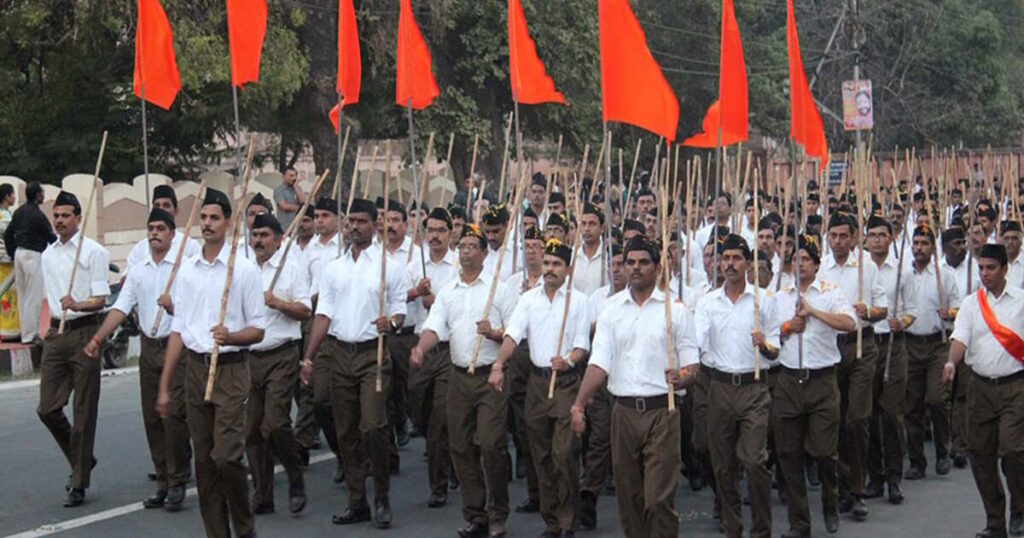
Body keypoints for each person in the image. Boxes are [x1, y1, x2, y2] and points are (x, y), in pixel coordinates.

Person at [571, 235, 700, 538]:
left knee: (657, 500)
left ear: (657, 267)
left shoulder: (675, 310)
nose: (636, 268)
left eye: (643, 262)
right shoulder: (611, 310)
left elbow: (693, 366)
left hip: (663, 411)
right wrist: (579, 403)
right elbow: (598, 363)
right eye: (630, 262)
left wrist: (681, 376)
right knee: (629, 499)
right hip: (624, 412)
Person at [156, 188, 267, 538]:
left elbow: (258, 330)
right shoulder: (188, 271)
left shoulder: (244, 270)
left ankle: (244, 528)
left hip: (232, 370)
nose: (206, 223)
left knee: (227, 458)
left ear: (228, 223)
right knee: (204, 462)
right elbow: (179, 330)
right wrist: (165, 386)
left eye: (214, 218)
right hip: (195, 369)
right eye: (203, 217)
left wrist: (231, 336)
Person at [299, 198, 406, 529]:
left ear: (374, 225)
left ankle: (382, 496)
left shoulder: (389, 266)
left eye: (361, 221)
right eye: (351, 221)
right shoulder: (334, 268)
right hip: (339, 353)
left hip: (373, 354)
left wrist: (392, 322)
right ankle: (357, 501)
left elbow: (400, 311)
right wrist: (309, 356)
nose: (354, 227)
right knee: (345, 430)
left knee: (372, 426)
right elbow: (323, 314)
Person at [411, 223, 516, 538]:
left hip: (490, 377)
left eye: (473, 246)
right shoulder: (448, 292)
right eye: (463, 246)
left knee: (491, 444)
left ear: (484, 254)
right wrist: (421, 348)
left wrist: (494, 333)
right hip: (459, 376)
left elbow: (514, 332)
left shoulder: (499, 288)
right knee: (459, 446)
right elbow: (434, 326)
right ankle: (475, 514)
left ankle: (498, 513)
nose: (467, 250)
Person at [84, 208, 190, 511]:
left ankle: (178, 480)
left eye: (161, 228)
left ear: (172, 234)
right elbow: (120, 307)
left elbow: (193, 313)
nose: (154, 233)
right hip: (149, 347)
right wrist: (97, 339)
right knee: (152, 417)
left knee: (174, 415)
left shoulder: (184, 269)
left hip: (177, 347)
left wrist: (173, 307)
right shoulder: (139, 270)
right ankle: (163, 481)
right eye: (151, 228)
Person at [491, 238, 591, 538]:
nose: (549, 269)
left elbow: (582, 346)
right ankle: (552, 521)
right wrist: (498, 364)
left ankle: (568, 519)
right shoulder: (528, 300)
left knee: (563, 454)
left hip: (565, 384)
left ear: (568, 269)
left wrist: (569, 360)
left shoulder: (579, 301)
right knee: (541, 456)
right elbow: (512, 335)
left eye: (556, 264)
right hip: (536, 384)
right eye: (547, 263)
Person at [694, 234, 779, 538]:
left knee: (755, 462)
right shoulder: (707, 303)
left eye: (736, 258)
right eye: (725, 258)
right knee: (723, 467)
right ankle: (733, 528)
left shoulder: (764, 300)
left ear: (747, 264)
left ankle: (761, 529)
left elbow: (776, 350)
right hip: (719, 387)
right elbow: (697, 344)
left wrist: (764, 343)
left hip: (753, 387)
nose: (729, 264)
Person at [772, 235, 856, 537]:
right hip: (788, 380)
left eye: (806, 259)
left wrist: (813, 312)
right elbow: (767, 337)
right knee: (789, 454)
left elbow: (849, 323)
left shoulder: (831, 292)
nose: (800, 264)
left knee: (823, 452)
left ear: (817, 265)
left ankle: (830, 503)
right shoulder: (781, 296)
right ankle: (799, 522)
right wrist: (787, 327)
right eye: (796, 259)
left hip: (822, 381)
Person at [943, 243, 1024, 538]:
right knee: (980, 454)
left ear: (1005, 269)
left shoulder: (1021, 301)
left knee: (1013, 451)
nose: (985, 273)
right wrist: (951, 362)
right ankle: (995, 521)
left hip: (1015, 387)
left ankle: (1019, 508)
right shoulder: (971, 304)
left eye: (991, 268)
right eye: (981, 268)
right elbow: (960, 338)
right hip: (979, 387)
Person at [37, 191, 111, 507]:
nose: (60, 220)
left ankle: (79, 482)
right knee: (47, 408)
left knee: (83, 411)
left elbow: (101, 300)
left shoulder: (94, 252)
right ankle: (82, 459)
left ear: (78, 219)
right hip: (57, 333)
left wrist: (77, 303)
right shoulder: (47, 255)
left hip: (85, 332)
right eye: (56, 215)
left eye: (66, 215)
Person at [818, 212, 888, 520]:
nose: (837, 241)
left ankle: (858, 491)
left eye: (843, 236)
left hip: (862, 346)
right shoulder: (820, 268)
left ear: (855, 237)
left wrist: (869, 311)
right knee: (835, 420)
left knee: (857, 419)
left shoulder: (867, 267)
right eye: (833, 235)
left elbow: (883, 309)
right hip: (830, 348)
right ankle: (842, 487)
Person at [246, 213, 309, 515]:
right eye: (255, 235)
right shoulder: (244, 270)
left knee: (274, 423)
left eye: (264, 235)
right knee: (251, 430)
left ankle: (295, 476)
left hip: (281, 354)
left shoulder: (291, 268)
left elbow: (305, 310)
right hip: (249, 356)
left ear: (279, 239)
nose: (258, 241)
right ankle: (263, 494)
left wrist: (278, 303)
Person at [407, 208, 460, 507]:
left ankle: (438, 484)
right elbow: (395, 298)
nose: (436, 236)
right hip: (420, 347)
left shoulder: (459, 265)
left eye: (441, 230)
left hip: (448, 349)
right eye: (431, 230)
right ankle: (448, 450)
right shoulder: (415, 264)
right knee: (419, 410)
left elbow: (464, 305)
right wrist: (416, 293)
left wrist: (436, 301)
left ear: (451, 233)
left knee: (440, 416)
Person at [864, 215, 914, 504]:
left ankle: (895, 478)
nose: (877, 240)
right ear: (866, 239)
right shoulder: (861, 269)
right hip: (868, 343)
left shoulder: (902, 270)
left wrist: (902, 322)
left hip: (894, 345)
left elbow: (912, 311)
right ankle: (875, 476)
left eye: (882, 235)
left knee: (892, 412)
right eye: (872, 235)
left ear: (891, 238)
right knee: (867, 411)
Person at [903, 224, 960, 480]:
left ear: (933, 248)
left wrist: (951, 313)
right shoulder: (904, 275)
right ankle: (917, 460)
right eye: (916, 243)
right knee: (912, 405)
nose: (919, 248)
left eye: (924, 243)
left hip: (938, 344)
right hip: (910, 344)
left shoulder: (944, 276)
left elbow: (959, 307)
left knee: (937, 400)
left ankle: (942, 451)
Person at [4, 181, 55, 348]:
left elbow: (8, 234)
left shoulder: (18, 212)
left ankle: (23, 331)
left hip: (19, 254)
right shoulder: (38, 215)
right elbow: (50, 237)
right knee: (33, 297)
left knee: (23, 296)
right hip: (33, 255)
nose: (44, 195)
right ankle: (31, 335)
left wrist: (13, 253)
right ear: (38, 195)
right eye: (42, 193)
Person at [125, 185, 201, 272]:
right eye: (157, 206)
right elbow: (128, 276)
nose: (161, 210)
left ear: (176, 211)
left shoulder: (190, 246)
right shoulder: (140, 249)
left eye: (166, 206)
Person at [573, 203, 607, 295]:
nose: (587, 229)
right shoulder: (573, 256)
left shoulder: (608, 257)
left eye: (592, 224)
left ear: (602, 228)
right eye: (583, 224)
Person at [0, 183, 18, 340]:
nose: (15, 197)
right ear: (7, 197)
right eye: (13, 194)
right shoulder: (5, 217)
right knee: (9, 294)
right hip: (6, 259)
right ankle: (9, 330)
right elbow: (11, 237)